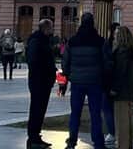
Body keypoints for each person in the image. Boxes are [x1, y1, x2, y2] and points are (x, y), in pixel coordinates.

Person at [62, 13, 112, 149]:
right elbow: (107, 62)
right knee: (95, 114)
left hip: (77, 82)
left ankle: (72, 141)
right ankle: (98, 142)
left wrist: (67, 77)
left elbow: (65, 62)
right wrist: (105, 78)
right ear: (93, 23)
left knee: (75, 113)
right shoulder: (100, 41)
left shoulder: (72, 41)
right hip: (95, 82)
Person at [25, 19, 57, 149]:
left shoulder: (42, 40)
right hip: (39, 81)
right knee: (36, 109)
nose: (53, 30)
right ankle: (33, 137)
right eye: (51, 27)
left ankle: (36, 136)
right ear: (46, 28)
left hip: (43, 81)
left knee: (40, 109)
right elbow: (34, 62)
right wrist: (46, 70)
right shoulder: (37, 41)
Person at [110, 26, 133, 149]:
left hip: (121, 91)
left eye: (116, 34)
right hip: (129, 90)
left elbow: (120, 72)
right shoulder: (131, 51)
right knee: (127, 121)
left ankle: (122, 146)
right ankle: (128, 145)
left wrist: (114, 88)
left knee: (121, 122)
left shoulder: (121, 52)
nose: (114, 36)